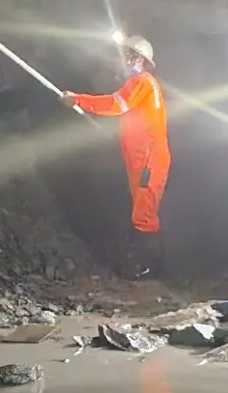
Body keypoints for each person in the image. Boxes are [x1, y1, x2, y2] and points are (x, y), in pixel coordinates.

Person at [61, 36, 171, 278]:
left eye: (127, 55)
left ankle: (151, 269)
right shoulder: (140, 84)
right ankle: (144, 263)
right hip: (143, 159)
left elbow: (115, 105)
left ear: (139, 59)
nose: (121, 60)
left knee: (144, 214)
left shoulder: (142, 82)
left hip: (149, 161)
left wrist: (78, 99)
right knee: (140, 211)